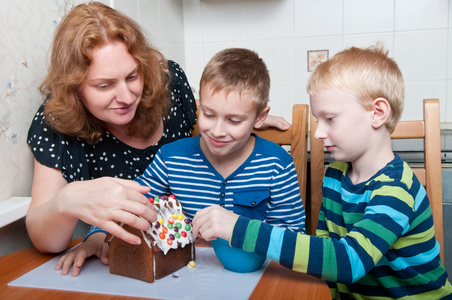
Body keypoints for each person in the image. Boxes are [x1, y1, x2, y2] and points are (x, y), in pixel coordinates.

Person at [26, 2, 290, 275]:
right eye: (104, 85)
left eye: (132, 76)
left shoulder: (170, 84)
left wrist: (245, 118)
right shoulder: (56, 124)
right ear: (74, 87)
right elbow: (126, 202)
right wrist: (86, 221)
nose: (127, 97)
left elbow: (210, 108)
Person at [192, 45, 452, 299]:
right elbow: (324, 257)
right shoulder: (336, 175)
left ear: (377, 113)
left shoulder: (396, 188)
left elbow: (347, 262)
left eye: (330, 119)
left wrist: (239, 229)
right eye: (318, 120)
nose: (318, 133)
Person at [58, 47, 307, 276]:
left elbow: (294, 239)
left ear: (260, 117)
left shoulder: (277, 163)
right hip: (189, 275)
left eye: (233, 120)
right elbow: (130, 204)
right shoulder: (171, 158)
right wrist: (97, 236)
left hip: (256, 277)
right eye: (208, 114)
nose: (217, 131)